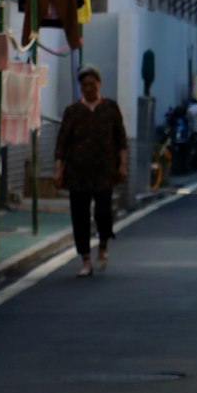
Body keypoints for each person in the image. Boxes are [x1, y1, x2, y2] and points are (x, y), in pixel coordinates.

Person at [54, 64, 128, 277]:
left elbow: (121, 139)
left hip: (105, 171)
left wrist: (122, 164)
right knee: (80, 216)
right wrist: (58, 170)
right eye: (85, 85)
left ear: (99, 84)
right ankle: (85, 259)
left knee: (103, 212)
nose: (88, 88)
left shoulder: (110, 108)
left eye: (92, 84)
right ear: (80, 87)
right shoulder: (73, 111)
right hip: (77, 172)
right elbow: (62, 143)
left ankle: (103, 243)